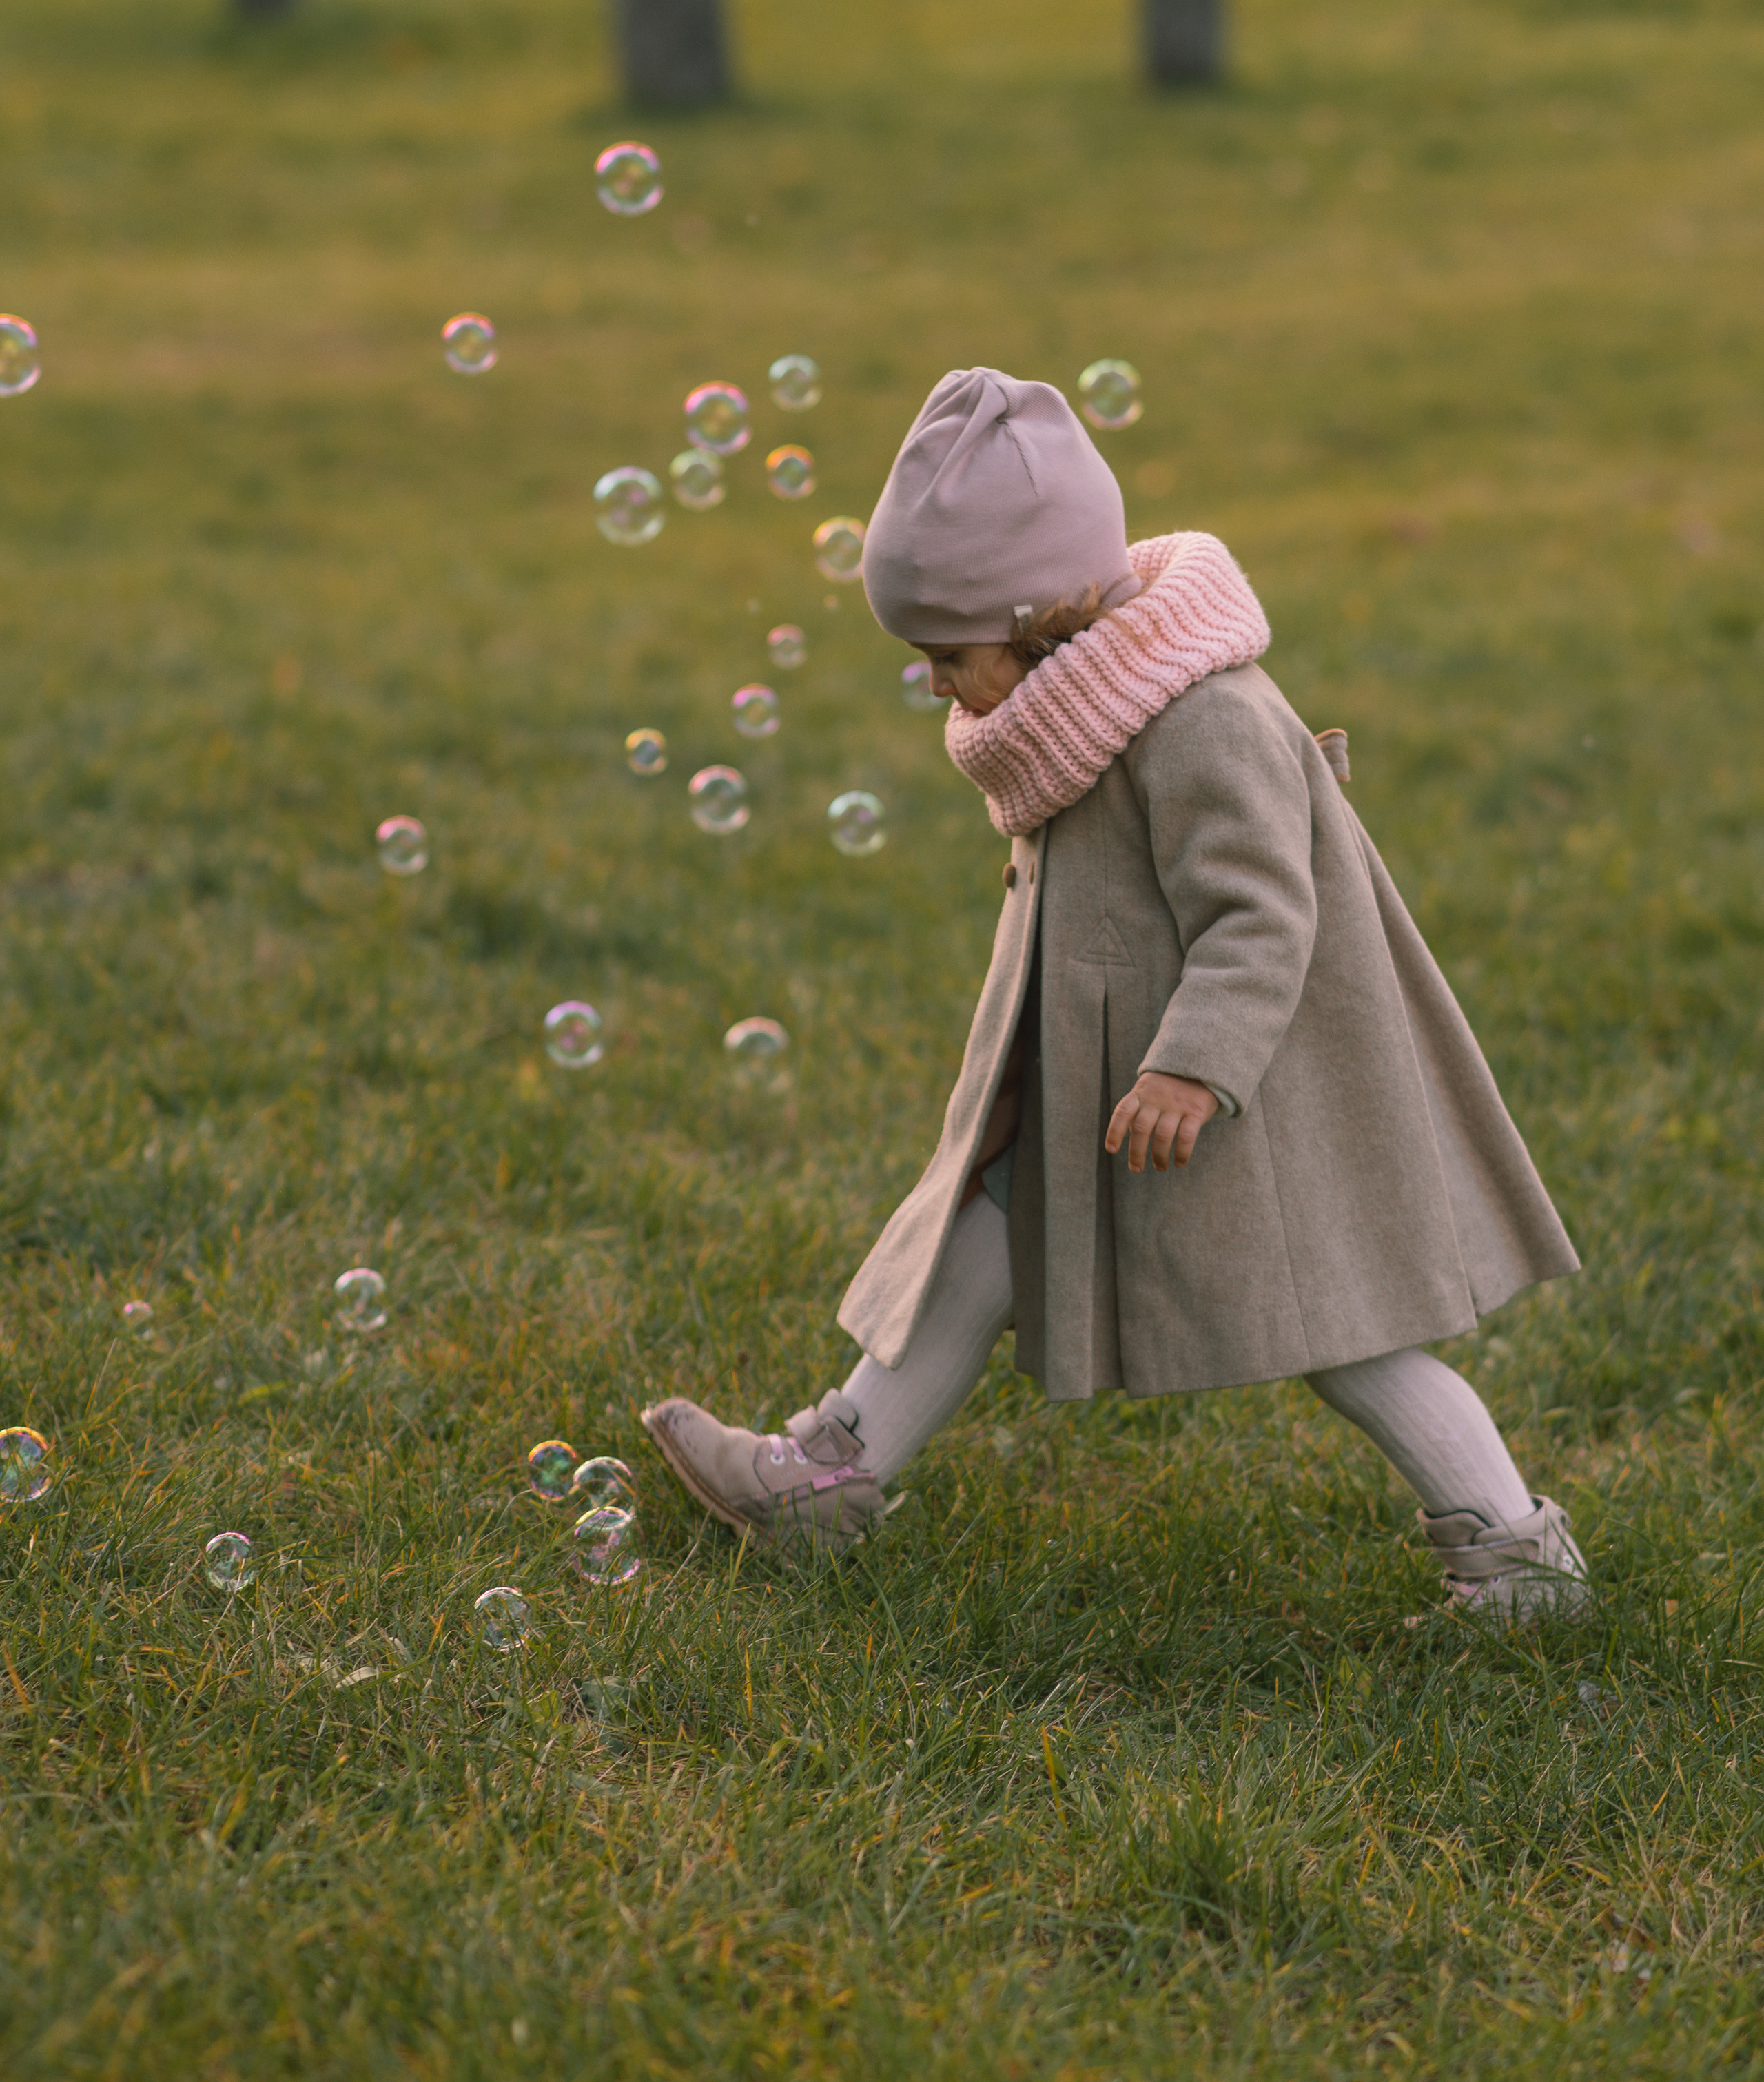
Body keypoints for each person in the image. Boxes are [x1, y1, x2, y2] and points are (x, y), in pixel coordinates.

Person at [643, 367, 1589, 1618]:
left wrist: (1195, 1062)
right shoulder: (1081, 699)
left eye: (946, 652)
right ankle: (827, 1478)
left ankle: (1520, 1556)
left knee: (1349, 1335)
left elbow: (1264, 910)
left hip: (1242, 1098)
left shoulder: (1202, 714)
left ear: (1037, 612)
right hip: (1106, 1079)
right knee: (988, 1229)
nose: (935, 683)